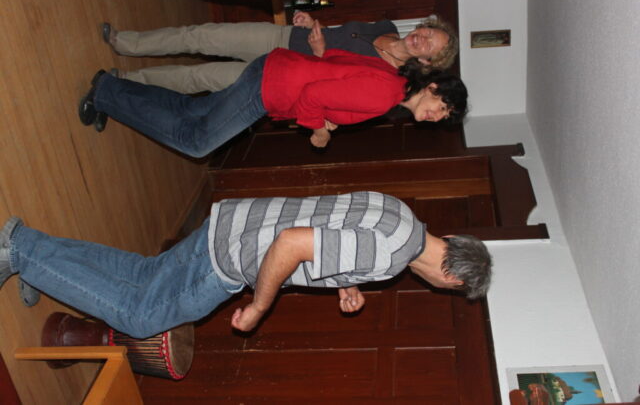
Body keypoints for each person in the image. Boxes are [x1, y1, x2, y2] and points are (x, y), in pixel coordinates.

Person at [0, 191, 492, 338]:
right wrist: (259, 306)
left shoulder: (403, 215)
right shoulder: (390, 259)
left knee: (142, 274)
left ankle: (32, 251)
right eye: (448, 288)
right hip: (233, 259)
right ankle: (21, 252)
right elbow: (293, 244)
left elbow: (333, 225)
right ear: (450, 278)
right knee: (139, 315)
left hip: (235, 221)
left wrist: (344, 280)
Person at [79, 47, 468, 150]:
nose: (437, 117)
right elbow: (314, 94)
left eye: (443, 118)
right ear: (433, 88)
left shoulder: (391, 76)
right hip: (272, 89)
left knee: (193, 109)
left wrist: (328, 115)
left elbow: (333, 60)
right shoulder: (386, 95)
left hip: (275, 70)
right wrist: (319, 132)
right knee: (196, 141)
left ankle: (111, 90)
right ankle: (106, 95)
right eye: (443, 108)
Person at [101, 12, 458, 94]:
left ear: (427, 62)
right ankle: (125, 42)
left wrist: (320, 53)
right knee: (201, 36)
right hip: (282, 37)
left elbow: (332, 87)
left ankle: (128, 80)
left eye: (430, 45)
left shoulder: (387, 77)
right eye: (428, 32)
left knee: (200, 77)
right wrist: (312, 22)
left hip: (281, 74)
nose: (423, 38)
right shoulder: (386, 26)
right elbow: (335, 31)